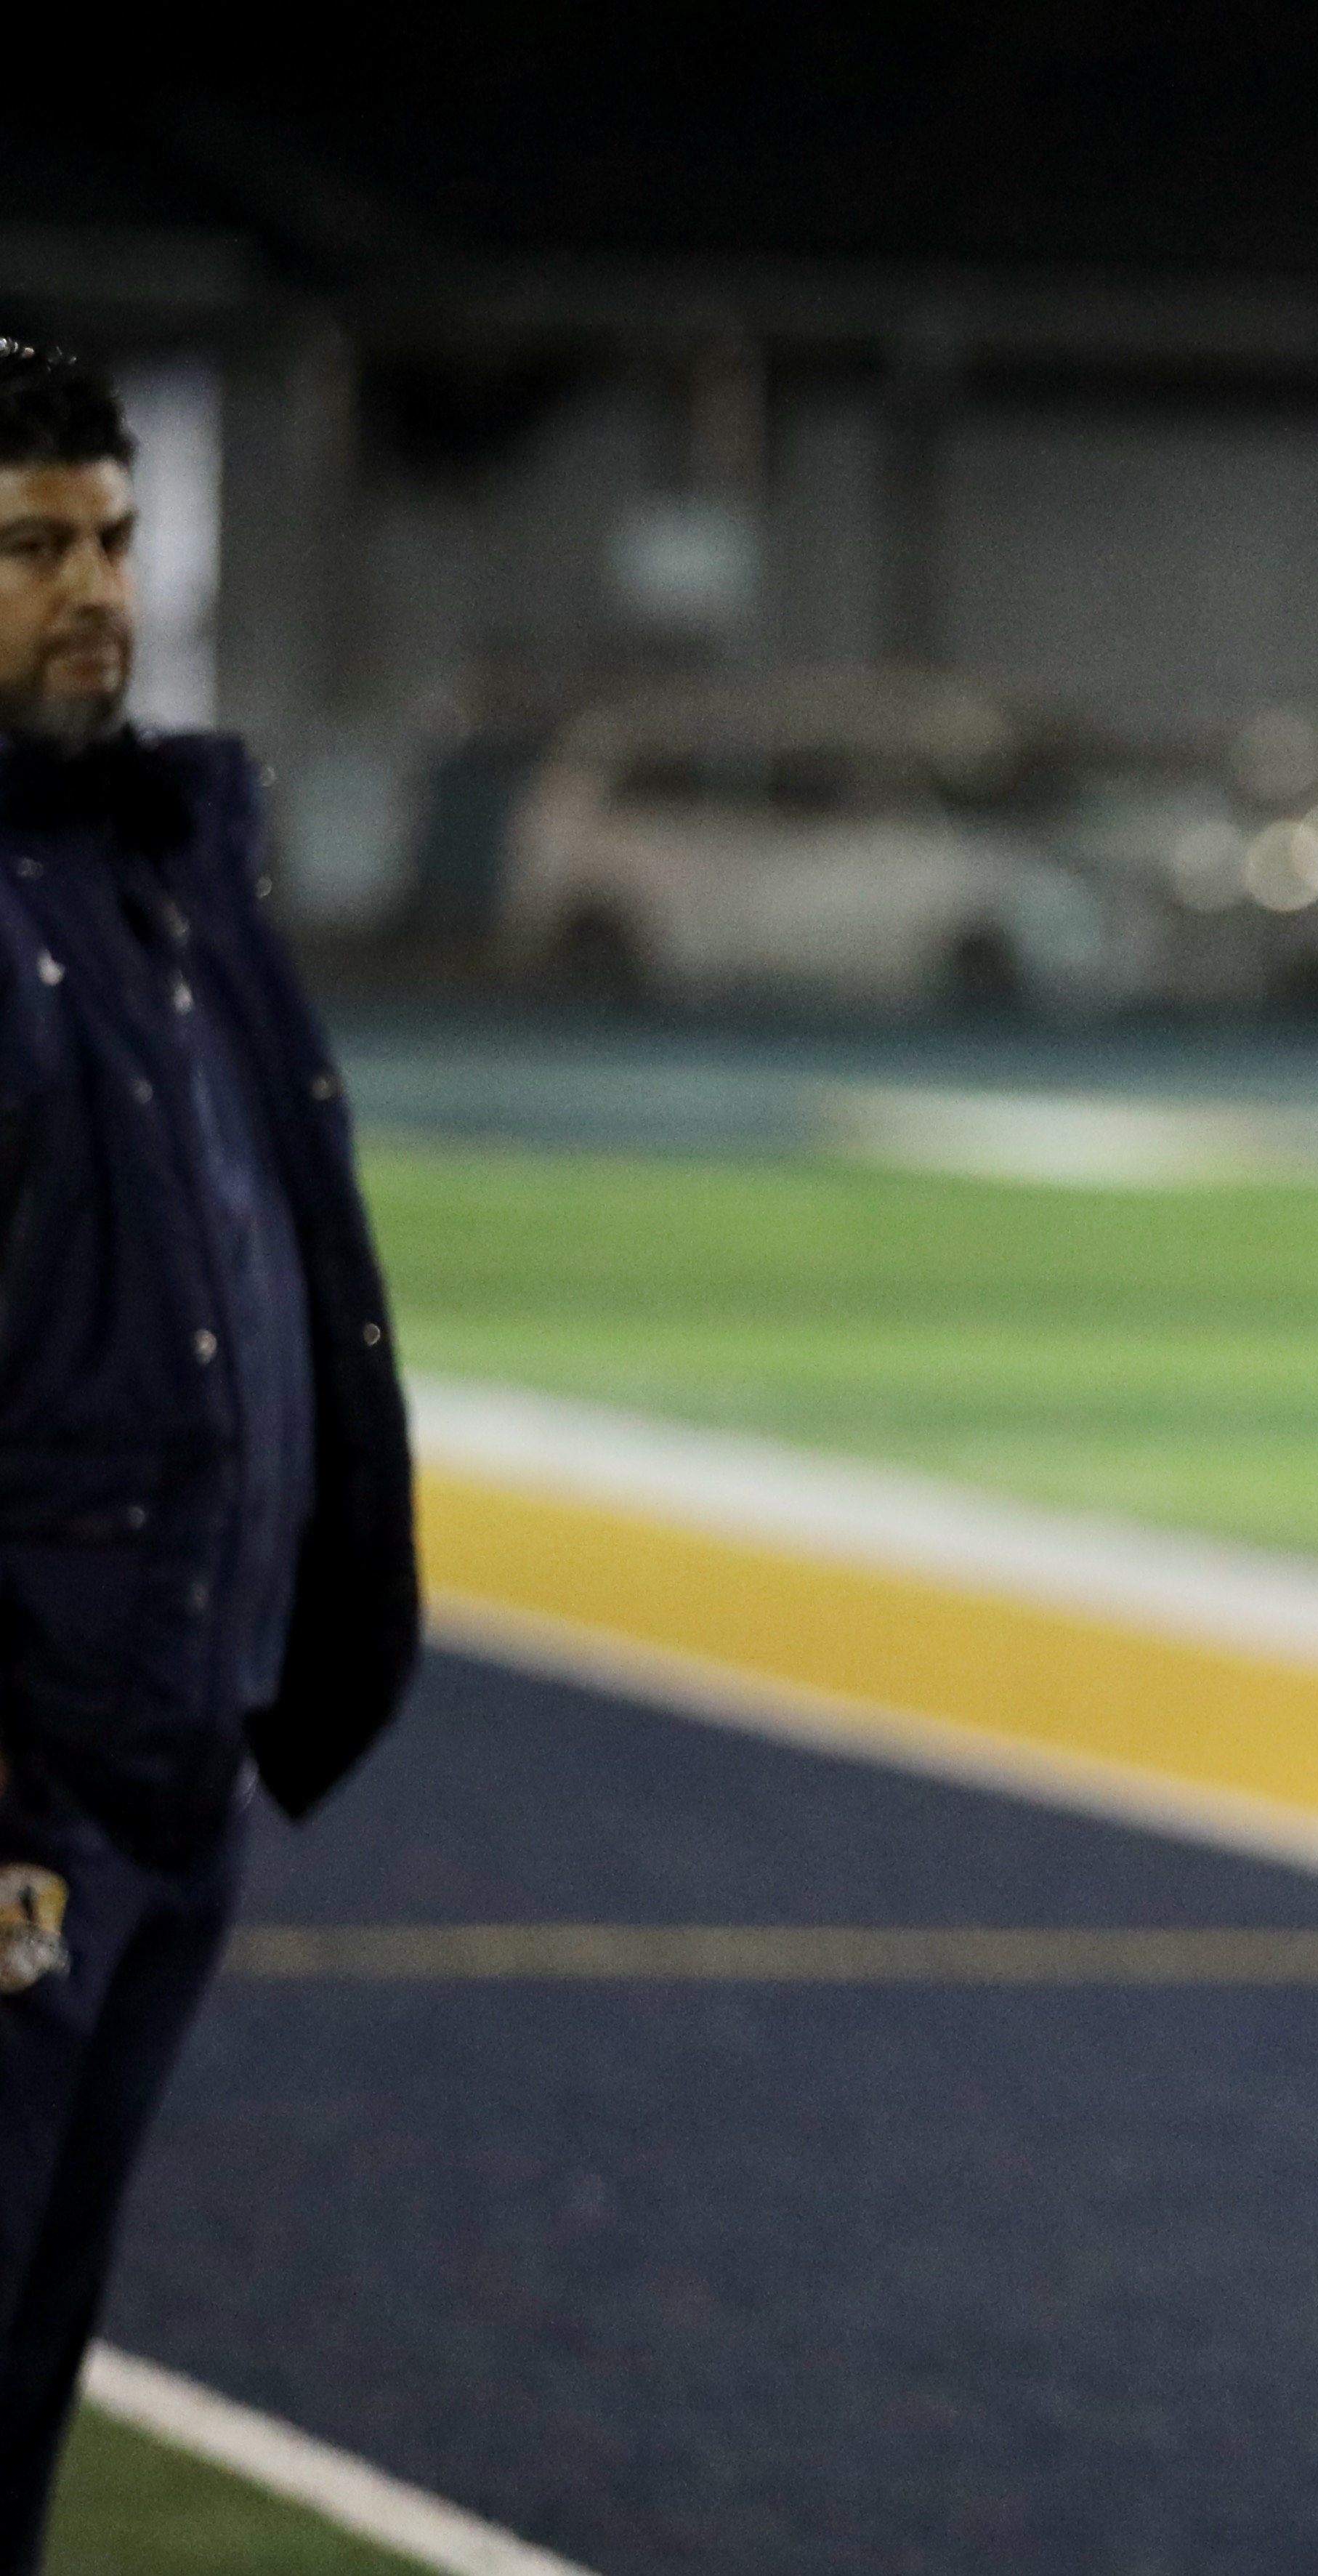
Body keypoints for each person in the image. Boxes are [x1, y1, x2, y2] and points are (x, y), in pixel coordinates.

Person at [0, 342, 420, 2572]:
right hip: (29, 1787)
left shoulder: (165, 864)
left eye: (112, 538)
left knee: (27, 2381)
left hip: (174, 1756)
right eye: (29, 547)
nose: (95, 591)